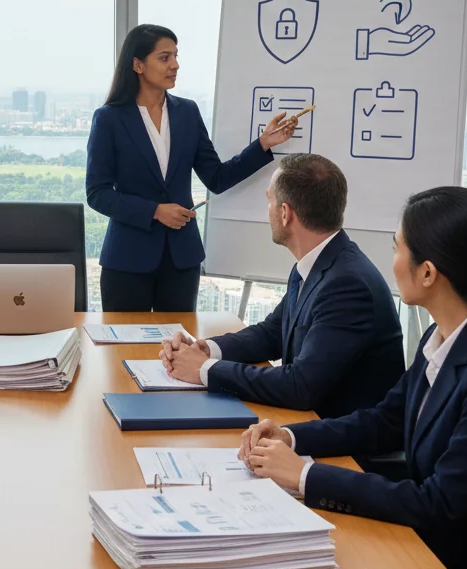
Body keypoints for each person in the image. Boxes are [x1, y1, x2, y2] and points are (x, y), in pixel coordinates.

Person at [239, 186, 467, 569]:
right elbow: (382, 420)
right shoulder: (444, 335)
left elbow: (439, 504)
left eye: (397, 248)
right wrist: (292, 438)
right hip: (422, 549)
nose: (391, 260)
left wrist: (307, 476)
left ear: (427, 272)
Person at [160, 154, 404, 418]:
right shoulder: (321, 260)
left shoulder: (347, 285)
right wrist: (204, 349)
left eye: (269, 200)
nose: (268, 208)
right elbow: (274, 332)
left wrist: (204, 369)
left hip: (346, 448)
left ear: (285, 213)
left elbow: (300, 385)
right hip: (308, 423)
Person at [87, 24, 296, 312]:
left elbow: (217, 177)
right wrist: (156, 211)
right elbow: (97, 193)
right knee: (122, 347)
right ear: (137, 64)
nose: (175, 65)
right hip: (127, 259)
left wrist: (262, 144)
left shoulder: (187, 112)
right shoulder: (109, 119)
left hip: (181, 259)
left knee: (178, 349)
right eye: (164, 58)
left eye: (175, 56)